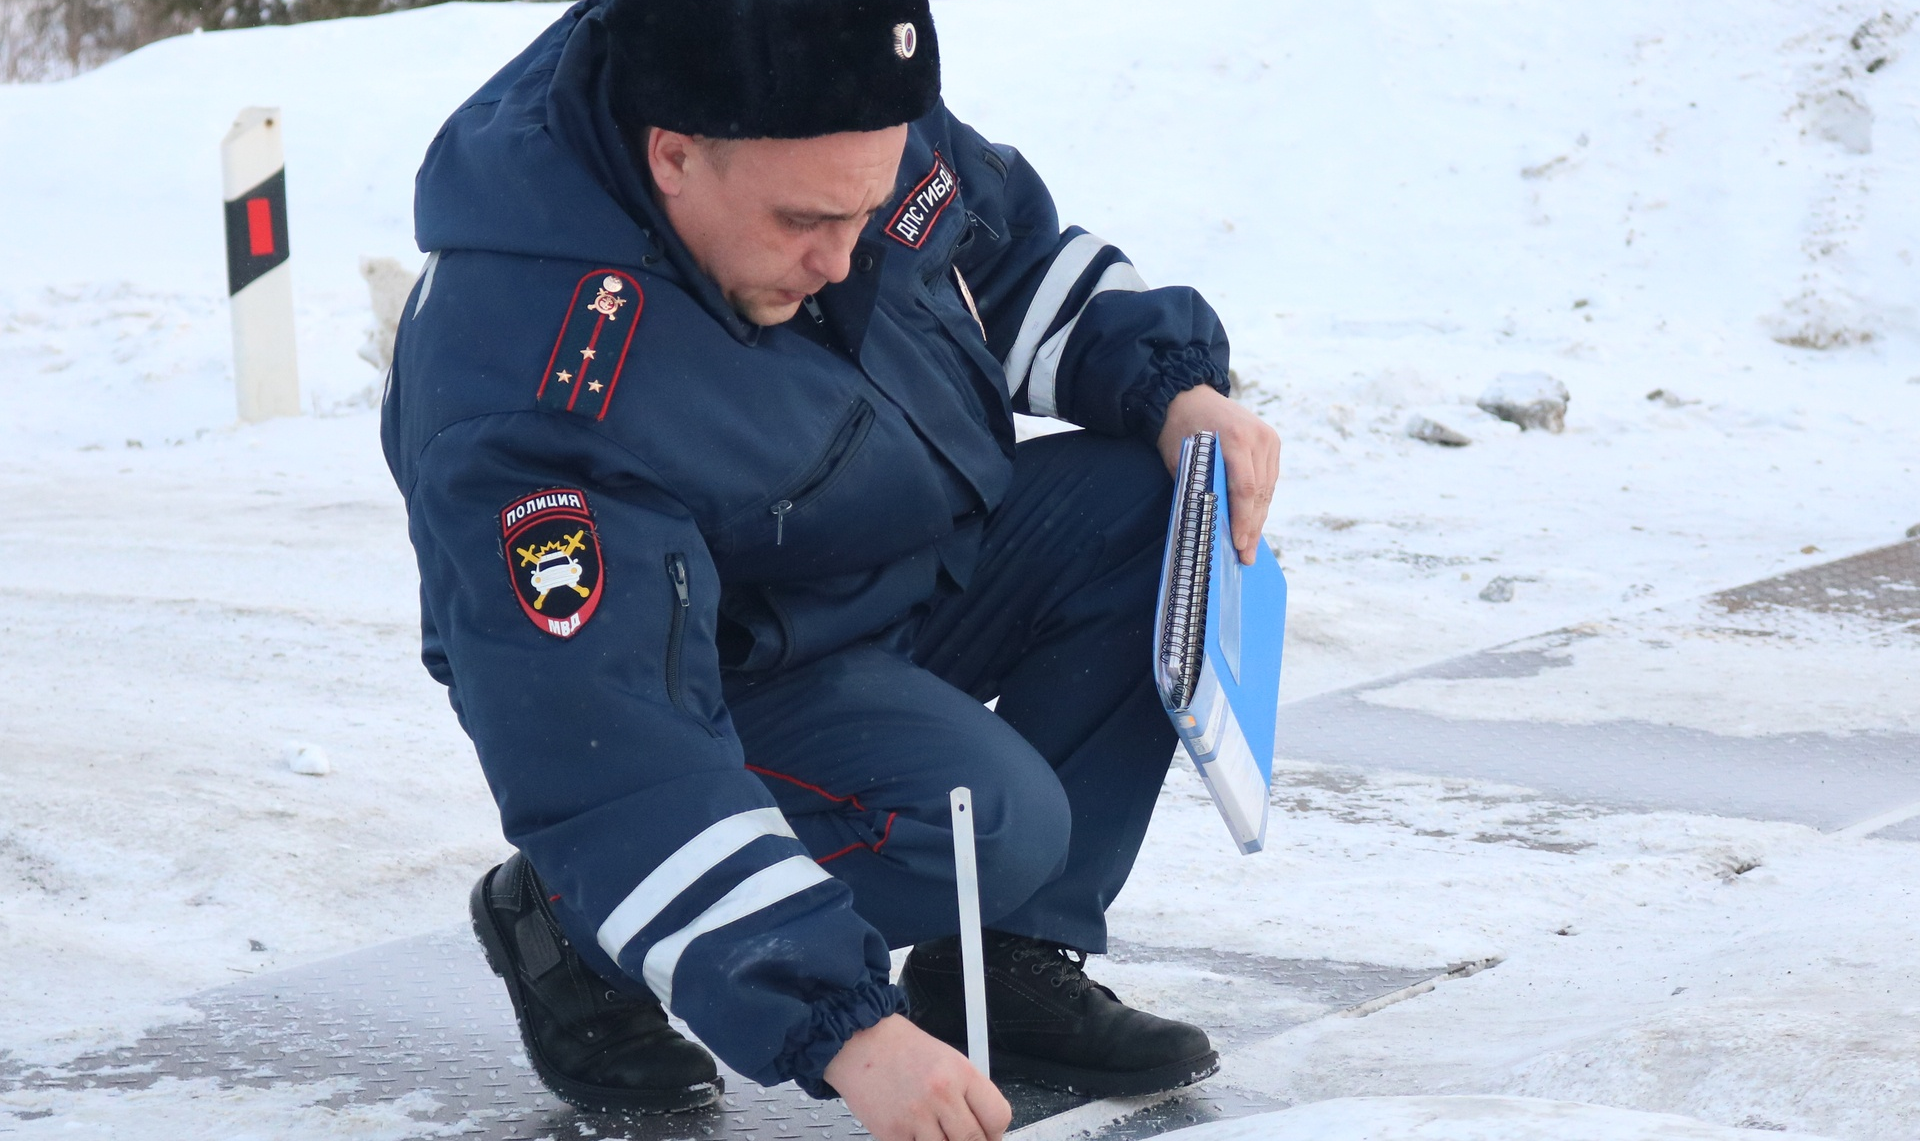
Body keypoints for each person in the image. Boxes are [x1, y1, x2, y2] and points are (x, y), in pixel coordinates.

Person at [380, 0, 1281, 1138]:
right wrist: (844, 1028)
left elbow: (1002, 257)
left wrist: (1172, 388)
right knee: (985, 817)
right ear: (674, 156)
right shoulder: (533, 371)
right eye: (808, 222)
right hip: (711, 680)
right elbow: (610, 743)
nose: (843, 256)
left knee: (1152, 498)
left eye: (866, 207)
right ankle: (575, 916)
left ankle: (1001, 970)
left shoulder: (829, 104)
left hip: (888, 565)